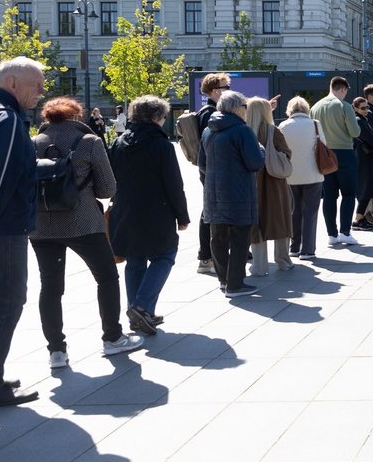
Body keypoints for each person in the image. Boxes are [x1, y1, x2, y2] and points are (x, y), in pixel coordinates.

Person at [30, 96, 144, 368]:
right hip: (83, 223)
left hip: (41, 225)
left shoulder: (33, 143)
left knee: (50, 287)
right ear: (77, 117)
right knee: (106, 277)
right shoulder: (89, 142)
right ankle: (112, 338)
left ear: (47, 118)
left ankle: (56, 351)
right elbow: (107, 189)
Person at [108, 95, 191, 336]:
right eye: (164, 116)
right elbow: (173, 183)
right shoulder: (161, 145)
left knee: (135, 260)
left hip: (125, 209)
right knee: (164, 256)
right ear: (156, 117)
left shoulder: (119, 142)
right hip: (157, 210)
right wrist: (182, 216)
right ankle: (141, 307)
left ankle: (141, 314)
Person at [0, 57, 45, 405]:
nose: (41, 90)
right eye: (35, 83)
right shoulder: (8, 120)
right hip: (3, 229)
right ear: (12, 83)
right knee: (7, 301)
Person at [200, 90, 265, 298]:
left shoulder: (208, 131)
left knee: (217, 238)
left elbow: (202, 163)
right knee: (239, 238)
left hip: (213, 192)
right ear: (237, 108)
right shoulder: (242, 130)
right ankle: (235, 284)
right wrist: (261, 149)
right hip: (238, 192)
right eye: (245, 106)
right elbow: (255, 162)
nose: (246, 110)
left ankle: (224, 280)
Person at [244, 97, 294, 273]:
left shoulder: (244, 132)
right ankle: (283, 261)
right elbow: (287, 154)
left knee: (256, 224)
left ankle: (259, 266)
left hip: (251, 183)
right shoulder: (274, 131)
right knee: (279, 220)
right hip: (275, 184)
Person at [311, 76, 361, 247]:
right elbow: (355, 132)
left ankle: (331, 234)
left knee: (329, 196)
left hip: (324, 154)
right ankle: (345, 232)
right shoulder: (344, 106)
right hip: (344, 153)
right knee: (348, 194)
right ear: (343, 89)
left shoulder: (315, 107)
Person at [192, 73, 231, 276]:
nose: (229, 90)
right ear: (215, 91)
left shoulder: (208, 111)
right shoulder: (210, 113)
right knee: (209, 212)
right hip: (212, 170)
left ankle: (208, 256)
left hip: (211, 169)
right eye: (226, 87)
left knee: (210, 210)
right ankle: (205, 257)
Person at [277, 97, 325, 261]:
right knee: (310, 212)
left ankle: (294, 246)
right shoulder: (315, 124)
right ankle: (308, 249)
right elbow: (323, 145)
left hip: (290, 175)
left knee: (293, 211)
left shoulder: (283, 126)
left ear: (289, 110)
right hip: (313, 173)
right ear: (306, 109)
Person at [351, 97, 373, 231]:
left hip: (365, 157)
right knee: (366, 188)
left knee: (367, 188)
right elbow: (370, 138)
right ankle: (358, 219)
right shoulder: (358, 120)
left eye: (367, 107)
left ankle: (360, 217)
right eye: (362, 108)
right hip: (364, 158)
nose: (366, 110)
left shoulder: (362, 119)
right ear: (355, 108)